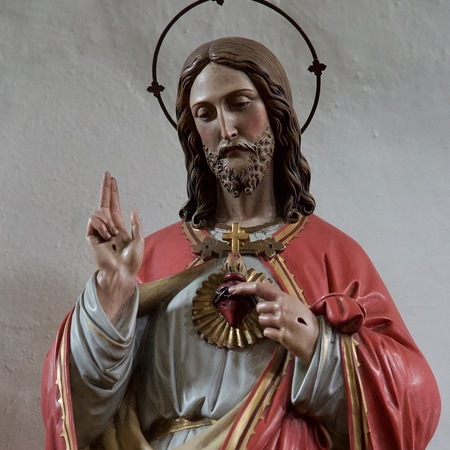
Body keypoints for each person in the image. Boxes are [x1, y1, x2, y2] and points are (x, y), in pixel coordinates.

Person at [41, 37, 441, 450]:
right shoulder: (153, 256)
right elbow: (81, 411)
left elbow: (415, 398)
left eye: (240, 103)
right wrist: (113, 294)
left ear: (276, 112)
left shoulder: (330, 253)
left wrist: (319, 348)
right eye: (205, 113)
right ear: (193, 133)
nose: (226, 128)